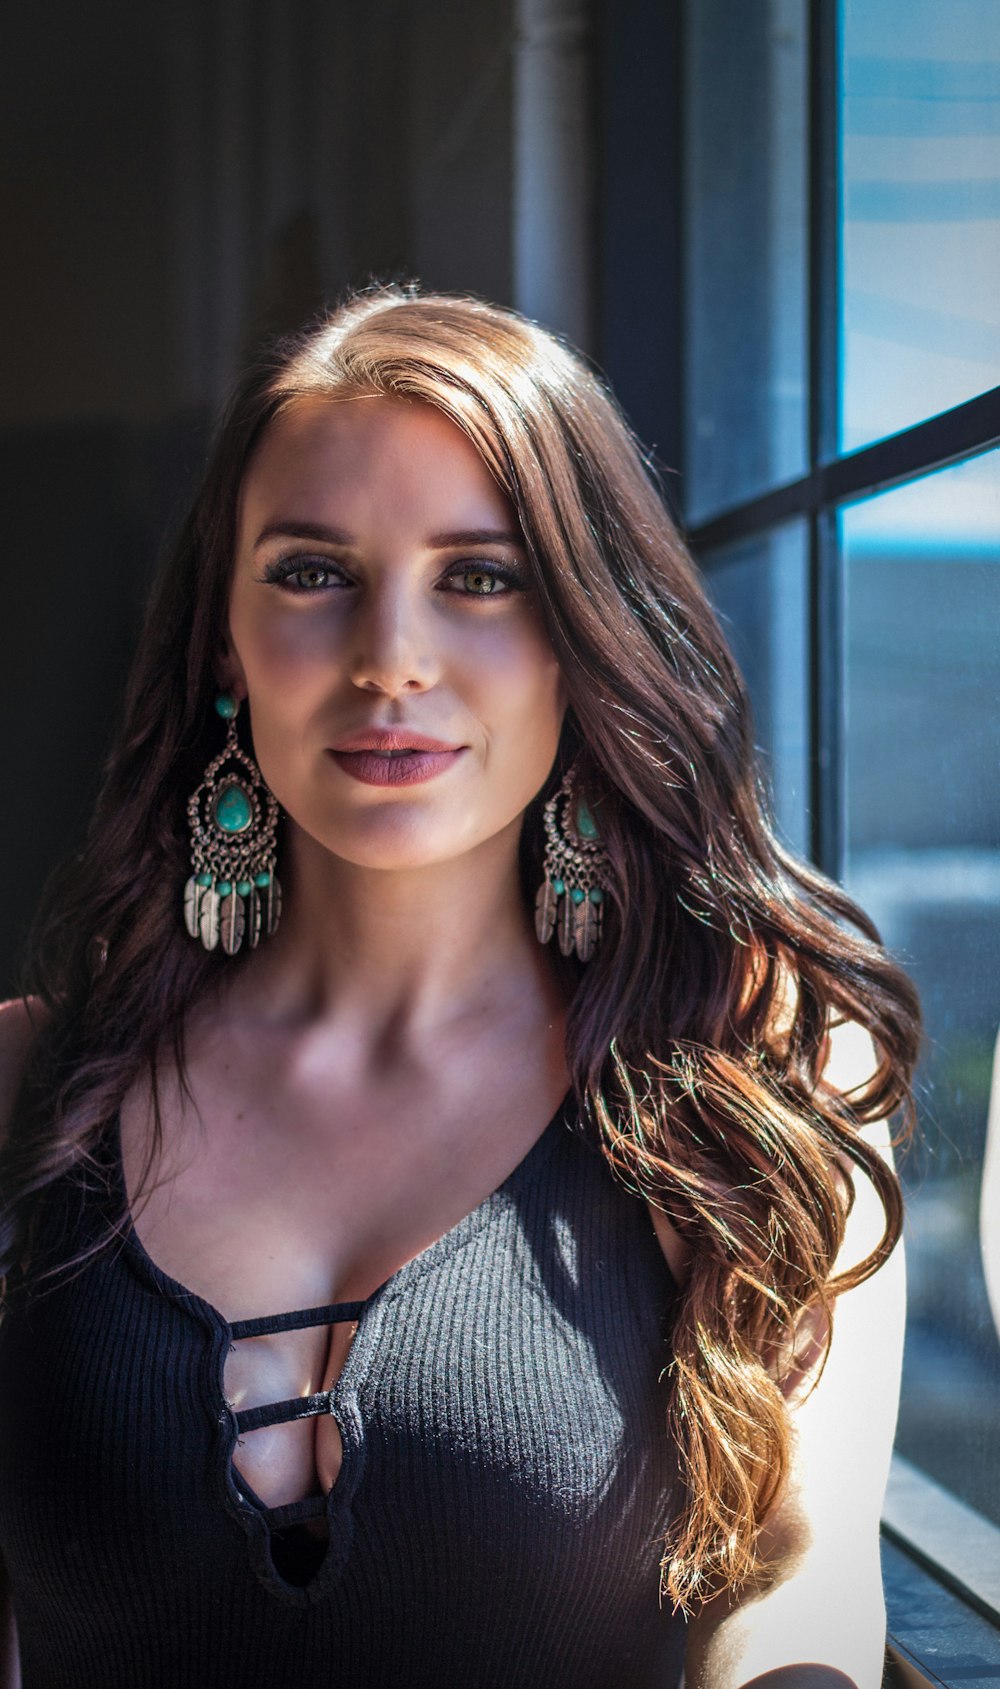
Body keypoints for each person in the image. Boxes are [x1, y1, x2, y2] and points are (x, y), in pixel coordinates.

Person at [0, 287, 920, 1689]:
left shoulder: (757, 1076)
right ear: (223, 651)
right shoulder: (29, 1094)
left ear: (582, 633)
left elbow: (797, 1593)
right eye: (313, 572)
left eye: (480, 576)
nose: (392, 660)